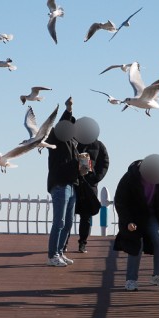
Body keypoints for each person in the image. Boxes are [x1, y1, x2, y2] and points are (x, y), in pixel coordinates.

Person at [113, 154, 159, 291]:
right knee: (136, 243)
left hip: (152, 216)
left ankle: (158, 275)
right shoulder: (130, 178)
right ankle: (131, 280)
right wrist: (128, 221)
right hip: (134, 217)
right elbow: (120, 201)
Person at [57, 107, 109, 254]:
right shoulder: (72, 143)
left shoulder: (99, 145)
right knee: (68, 216)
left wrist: (95, 178)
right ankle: (64, 243)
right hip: (74, 183)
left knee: (86, 217)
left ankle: (82, 243)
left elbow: (104, 163)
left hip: (89, 185)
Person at [45, 97, 89, 267]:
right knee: (60, 221)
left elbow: (74, 163)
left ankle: (60, 252)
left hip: (72, 184)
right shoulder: (56, 137)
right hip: (60, 184)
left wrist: (83, 166)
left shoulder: (72, 142)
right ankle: (52, 255)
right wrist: (69, 109)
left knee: (69, 222)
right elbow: (63, 124)